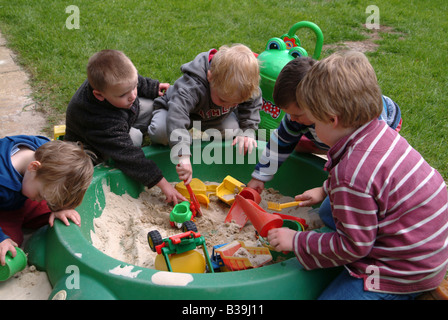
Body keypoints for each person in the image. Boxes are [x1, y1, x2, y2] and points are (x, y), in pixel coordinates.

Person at [266, 51, 448, 300]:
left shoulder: (351, 174)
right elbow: (374, 183)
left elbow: (354, 247)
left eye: (314, 123)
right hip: (427, 243)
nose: (312, 131)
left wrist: (297, 240)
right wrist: (326, 188)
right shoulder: (378, 131)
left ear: (332, 119)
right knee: (331, 209)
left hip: (399, 269)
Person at [248, 57, 402, 194]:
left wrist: (326, 188)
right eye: (288, 114)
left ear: (314, 102)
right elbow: (280, 143)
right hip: (332, 132)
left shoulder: (356, 125)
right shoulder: (297, 117)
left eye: (297, 114)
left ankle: (328, 149)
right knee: (292, 142)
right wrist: (260, 176)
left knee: (358, 163)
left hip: (385, 120)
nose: (292, 119)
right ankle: (324, 147)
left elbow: (356, 167)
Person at [65, 49, 186, 204]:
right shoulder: (98, 120)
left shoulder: (118, 86)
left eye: (134, 87)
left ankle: (134, 118)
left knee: (152, 105)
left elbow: (134, 82)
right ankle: (111, 158)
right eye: (123, 94)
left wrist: (153, 87)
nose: (133, 95)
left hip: (124, 116)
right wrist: (164, 185)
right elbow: (129, 156)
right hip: (98, 144)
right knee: (135, 138)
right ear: (99, 95)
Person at [148, 44, 262, 185]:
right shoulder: (192, 86)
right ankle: (183, 138)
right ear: (210, 77)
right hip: (173, 112)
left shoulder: (243, 87)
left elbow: (253, 102)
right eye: (223, 100)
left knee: (232, 131)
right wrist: (183, 155)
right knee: (160, 132)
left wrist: (247, 130)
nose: (228, 105)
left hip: (211, 118)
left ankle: (191, 137)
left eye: (234, 104)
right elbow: (177, 114)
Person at [0, 135, 94, 266]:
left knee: (59, 217)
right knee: (9, 246)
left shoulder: (45, 152)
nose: (40, 200)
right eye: (41, 195)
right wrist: (1, 239)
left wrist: (60, 208)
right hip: (5, 210)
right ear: (33, 167)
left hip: (21, 198)